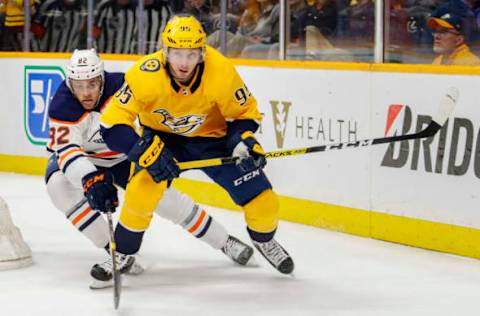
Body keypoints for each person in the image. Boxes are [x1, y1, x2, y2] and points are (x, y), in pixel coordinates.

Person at [94, 15, 294, 277]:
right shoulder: (145, 74)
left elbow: (246, 114)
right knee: (139, 193)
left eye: (191, 54)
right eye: (177, 53)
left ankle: (264, 240)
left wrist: (242, 141)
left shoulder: (220, 70)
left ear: (202, 52)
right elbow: (111, 124)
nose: (184, 62)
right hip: (163, 141)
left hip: (214, 140)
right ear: (165, 51)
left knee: (265, 203)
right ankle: (123, 252)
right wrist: (144, 150)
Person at [45, 48, 255, 287]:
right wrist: (90, 178)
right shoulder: (62, 104)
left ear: (102, 78)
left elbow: (157, 117)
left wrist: (158, 148)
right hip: (86, 160)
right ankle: (115, 252)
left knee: (164, 200)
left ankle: (224, 241)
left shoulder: (125, 86)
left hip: (125, 156)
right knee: (57, 187)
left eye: (92, 84)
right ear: (69, 82)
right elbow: (66, 152)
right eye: (79, 85)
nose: (85, 93)